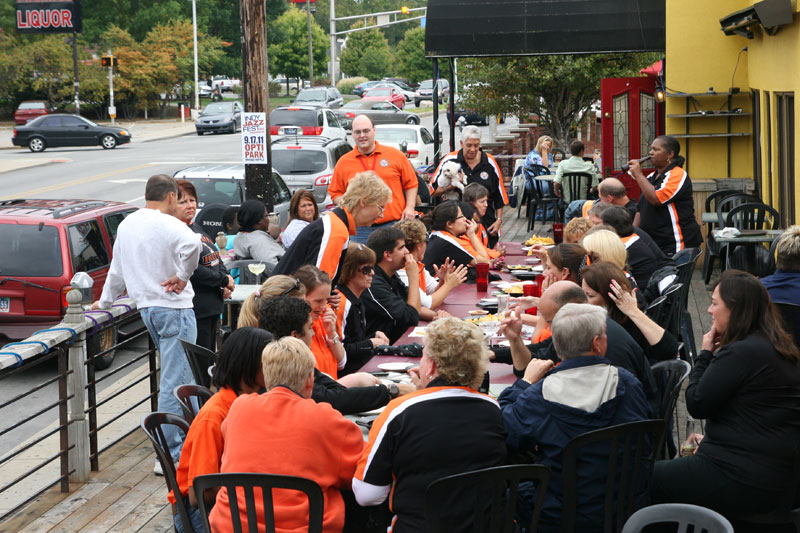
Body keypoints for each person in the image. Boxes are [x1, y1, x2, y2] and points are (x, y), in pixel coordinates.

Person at [651, 270, 800, 523]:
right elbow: (756, 414)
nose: (709, 310)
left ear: (735, 309)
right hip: (773, 474)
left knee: (641, 477)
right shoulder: (777, 346)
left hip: (739, 475)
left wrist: (705, 353)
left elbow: (697, 403)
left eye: (714, 303)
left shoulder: (742, 352)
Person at [499, 303, 652, 531]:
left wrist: (523, 383)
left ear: (557, 346)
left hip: (559, 515)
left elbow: (505, 431)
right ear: (597, 343)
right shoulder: (628, 383)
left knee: (507, 492)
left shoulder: (540, 395)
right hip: (625, 508)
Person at [353, 318, 507, 532]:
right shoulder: (492, 408)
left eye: (423, 357)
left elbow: (367, 495)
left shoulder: (399, 411)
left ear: (432, 365)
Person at [94, 175, 201, 465]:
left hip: (148, 310)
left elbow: (116, 269)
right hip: (174, 308)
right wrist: (182, 276)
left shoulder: (128, 223)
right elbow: (194, 245)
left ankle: (191, 441)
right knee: (175, 380)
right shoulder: (168, 223)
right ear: (170, 197)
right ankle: (169, 454)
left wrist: (104, 303)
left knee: (180, 376)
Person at [209, 336, 364, 533]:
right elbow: (360, 474)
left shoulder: (239, 407)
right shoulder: (325, 418)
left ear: (266, 375)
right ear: (310, 380)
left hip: (235, 527)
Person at [169, 327, 272, 533]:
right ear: (251, 366)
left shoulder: (249, 401)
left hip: (229, 498)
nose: (274, 368)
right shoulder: (214, 416)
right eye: (269, 362)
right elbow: (199, 493)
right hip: (198, 512)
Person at [500, 280, 659, 414]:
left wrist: (526, 384)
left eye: (549, 321)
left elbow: (508, 420)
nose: (546, 327)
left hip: (607, 437)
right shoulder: (581, 330)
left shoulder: (608, 348)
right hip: (626, 438)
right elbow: (525, 368)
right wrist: (514, 340)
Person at [258, 296, 412, 414]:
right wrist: (391, 391)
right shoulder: (277, 367)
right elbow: (332, 399)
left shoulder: (290, 358)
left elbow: (337, 391)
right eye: (310, 328)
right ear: (295, 335)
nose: (312, 334)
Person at [273, 171, 392, 282]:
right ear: (363, 202)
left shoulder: (336, 223)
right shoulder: (335, 229)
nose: (381, 215)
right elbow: (318, 283)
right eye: (380, 207)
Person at [328, 115, 418, 244]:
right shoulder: (344, 162)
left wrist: (409, 208)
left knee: (393, 263)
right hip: (360, 230)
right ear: (352, 134)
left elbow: (411, 184)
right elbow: (335, 192)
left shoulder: (395, 155)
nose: (362, 135)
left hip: (393, 224)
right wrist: (350, 207)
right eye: (357, 132)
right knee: (361, 263)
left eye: (366, 131)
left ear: (374, 130)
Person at [175, 179, 234, 351]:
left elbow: (216, 256)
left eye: (192, 200)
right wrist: (223, 280)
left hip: (213, 307)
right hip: (196, 309)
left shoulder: (196, 227)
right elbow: (192, 269)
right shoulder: (176, 232)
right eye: (183, 202)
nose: (189, 205)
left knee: (210, 358)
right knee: (200, 363)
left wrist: (226, 279)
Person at [581, 261, 679, 363]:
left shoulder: (629, 322)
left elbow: (669, 351)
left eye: (590, 295)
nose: (582, 301)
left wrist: (634, 312)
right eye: (582, 293)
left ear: (612, 297)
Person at [432, 125, 508, 247]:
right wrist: (452, 186)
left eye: (476, 145)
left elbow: (500, 196)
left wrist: (499, 220)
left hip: (486, 223)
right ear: (461, 143)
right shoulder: (449, 160)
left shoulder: (489, 162)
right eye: (469, 145)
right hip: (456, 226)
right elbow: (432, 191)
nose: (473, 149)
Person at [627, 135, 702, 256]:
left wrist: (638, 175)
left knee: (672, 274)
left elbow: (656, 199)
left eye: (656, 150)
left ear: (670, 154)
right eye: (651, 149)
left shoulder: (678, 174)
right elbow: (640, 210)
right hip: (654, 243)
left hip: (675, 242)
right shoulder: (651, 177)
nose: (651, 153)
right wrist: (631, 234)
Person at [393, 218, 467, 321]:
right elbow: (428, 304)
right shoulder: (401, 270)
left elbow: (432, 292)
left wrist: (442, 281)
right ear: (419, 245)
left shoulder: (416, 264)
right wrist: (449, 284)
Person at [334, 244, 390, 375]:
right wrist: (370, 343)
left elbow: (354, 341)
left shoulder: (356, 298)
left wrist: (373, 336)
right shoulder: (341, 302)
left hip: (359, 369)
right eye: (366, 269)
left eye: (372, 268)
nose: (372, 273)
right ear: (349, 271)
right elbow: (339, 352)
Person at [363, 227, 421, 344]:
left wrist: (437, 315)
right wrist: (414, 278)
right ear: (387, 255)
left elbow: (409, 306)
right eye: (401, 248)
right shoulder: (373, 283)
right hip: (376, 352)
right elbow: (411, 318)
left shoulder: (391, 275)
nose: (407, 252)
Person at [600, 205, 674, 293]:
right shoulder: (634, 235)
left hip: (640, 295)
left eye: (598, 224)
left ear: (610, 227)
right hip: (644, 290)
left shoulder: (625, 247)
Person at [293, 265, 346, 379]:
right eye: (318, 301)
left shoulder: (323, 319)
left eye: (327, 299)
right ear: (300, 297)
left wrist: (332, 334)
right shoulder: (295, 330)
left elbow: (341, 363)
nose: (323, 306)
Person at [422, 200, 489, 277]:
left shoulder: (437, 234)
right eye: (461, 216)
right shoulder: (448, 240)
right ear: (449, 224)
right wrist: (472, 234)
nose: (465, 219)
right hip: (435, 286)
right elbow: (485, 264)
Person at [232, 199, 285, 273]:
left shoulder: (240, 236)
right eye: (267, 216)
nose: (268, 220)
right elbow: (273, 269)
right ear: (259, 220)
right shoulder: (258, 241)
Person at [463, 182, 507, 259]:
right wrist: (497, 254)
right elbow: (475, 254)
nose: (486, 205)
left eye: (486, 201)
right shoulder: (465, 226)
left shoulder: (480, 223)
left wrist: (496, 252)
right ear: (471, 204)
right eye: (482, 202)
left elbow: (482, 248)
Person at [553, 140, 600, 206]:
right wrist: (589, 191)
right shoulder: (589, 166)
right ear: (581, 151)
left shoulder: (563, 164)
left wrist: (557, 191)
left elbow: (556, 183)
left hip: (567, 201)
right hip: (584, 202)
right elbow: (595, 186)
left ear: (571, 151)